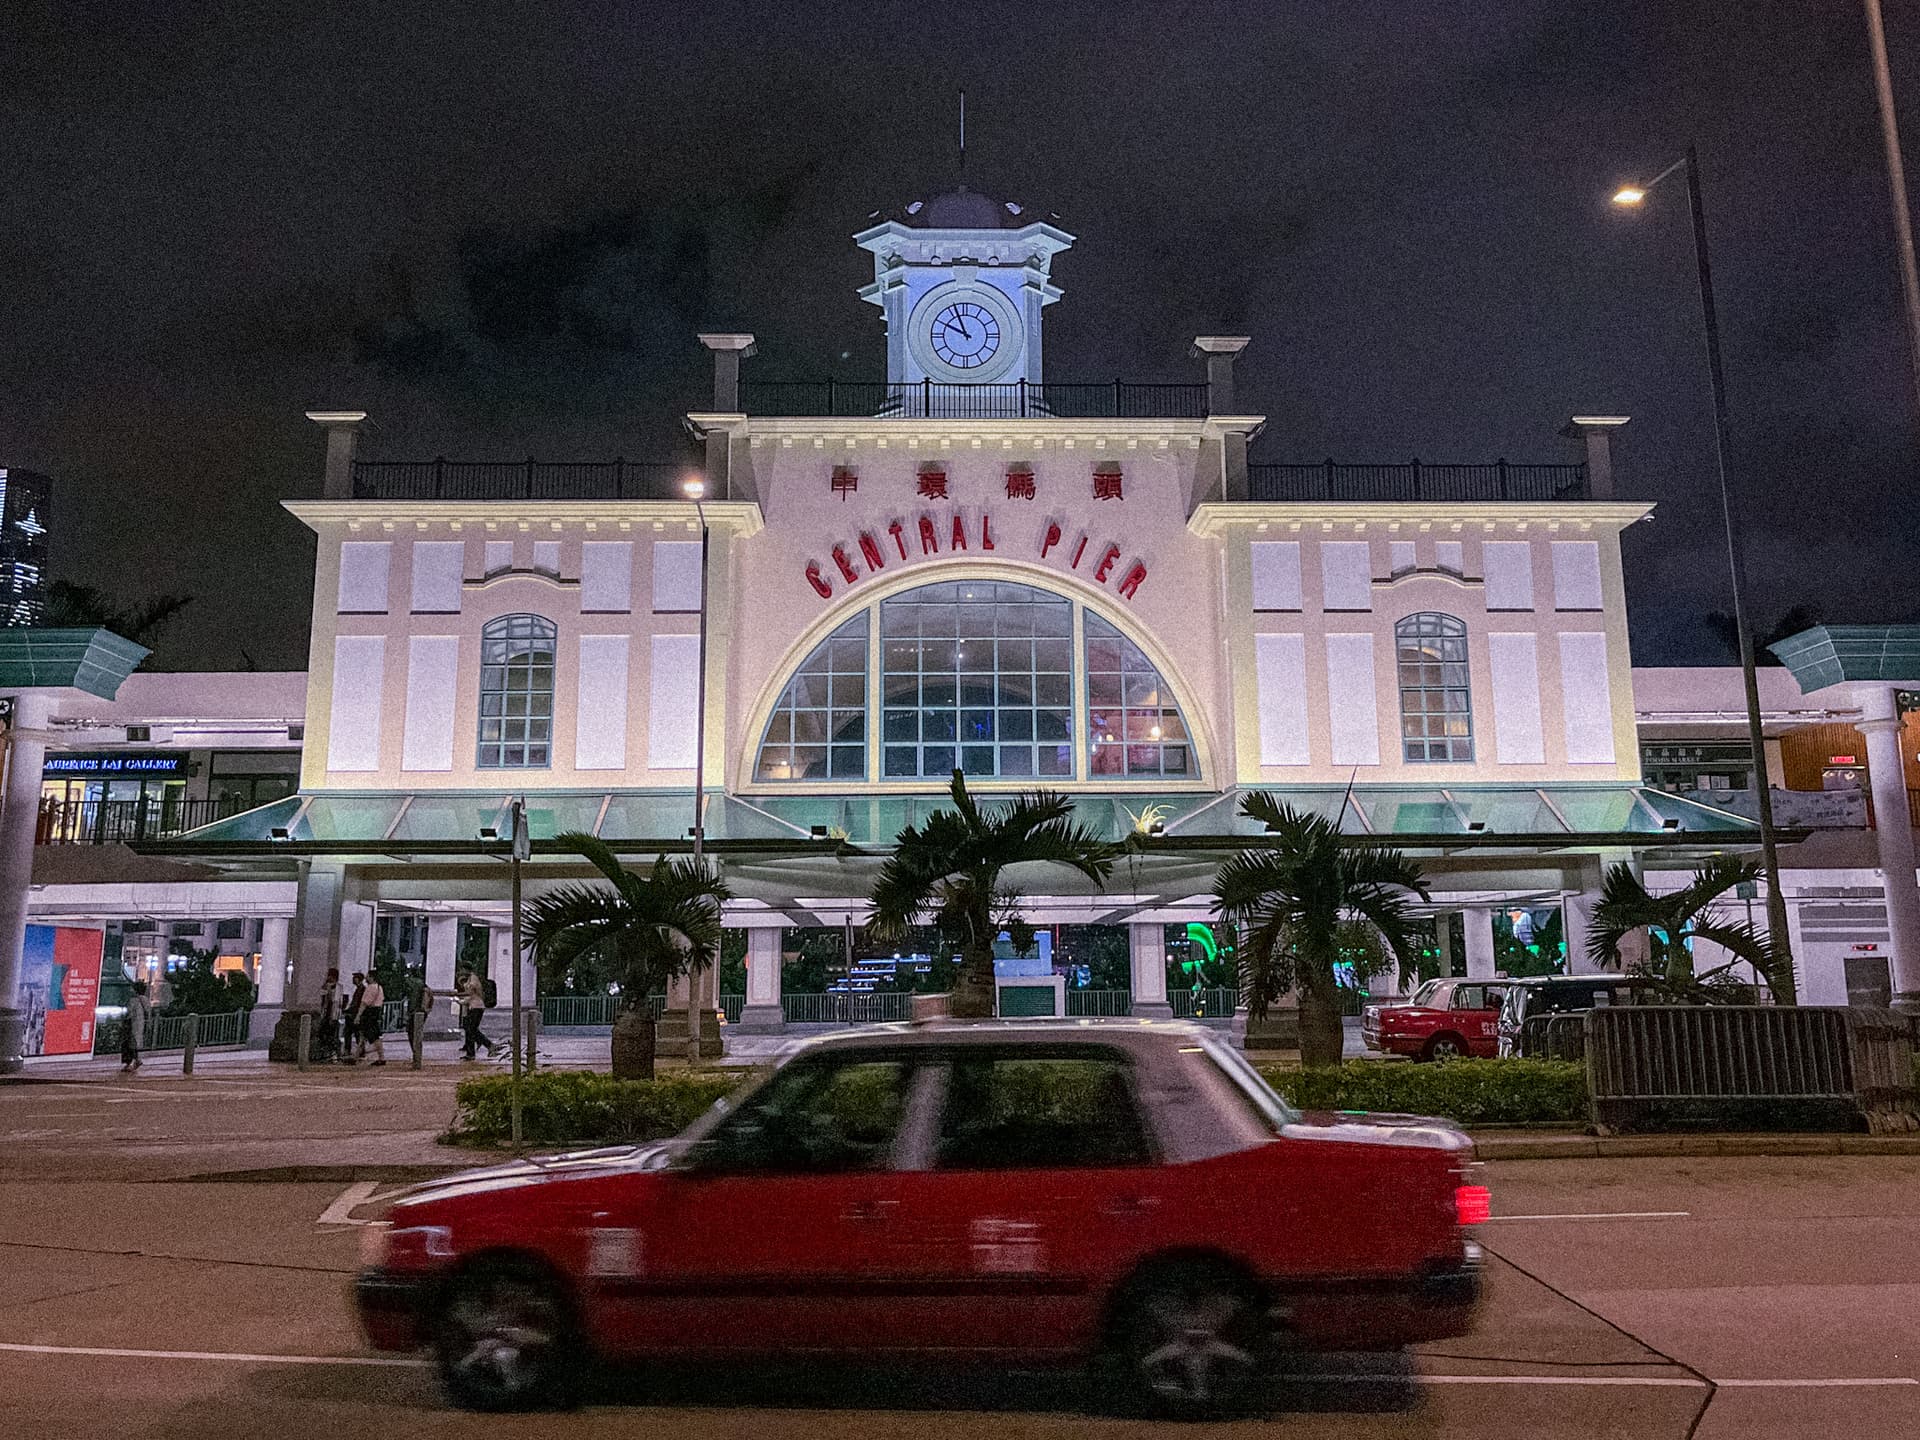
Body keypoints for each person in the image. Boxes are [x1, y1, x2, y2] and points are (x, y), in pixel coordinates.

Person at [457, 969, 496, 1060]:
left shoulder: (473, 979)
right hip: (473, 1007)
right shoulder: (471, 979)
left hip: (476, 1007)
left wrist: (461, 999)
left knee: (471, 1029)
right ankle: (474, 1050)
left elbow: (472, 992)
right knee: (470, 1029)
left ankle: (488, 1045)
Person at [359, 972, 387, 1066]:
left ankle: (381, 1057)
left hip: (369, 1012)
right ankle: (356, 1055)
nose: (366, 977)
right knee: (369, 1034)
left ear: (371, 977)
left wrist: (358, 1015)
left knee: (372, 1035)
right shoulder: (379, 987)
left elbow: (364, 1003)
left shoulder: (370, 988)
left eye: (367, 976)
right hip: (376, 1012)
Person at [121, 981, 149, 1072]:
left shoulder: (134, 1000)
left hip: (132, 1024)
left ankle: (132, 1062)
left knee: (130, 1043)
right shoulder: (146, 1000)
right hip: (141, 1024)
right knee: (135, 1044)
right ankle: (135, 1060)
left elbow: (128, 1013)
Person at [341, 971, 366, 1064]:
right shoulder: (359, 989)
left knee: (353, 1033)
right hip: (353, 1014)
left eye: (354, 977)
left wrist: (349, 1011)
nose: (352, 979)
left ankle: (357, 1051)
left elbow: (357, 1003)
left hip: (354, 1015)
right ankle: (356, 1051)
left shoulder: (361, 989)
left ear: (358, 979)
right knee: (351, 1033)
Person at [318, 967, 342, 1062]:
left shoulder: (338, 987)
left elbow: (335, 1000)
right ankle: (326, 1052)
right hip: (325, 1013)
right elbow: (322, 998)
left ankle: (333, 1053)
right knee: (323, 1034)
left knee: (332, 1034)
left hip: (334, 1014)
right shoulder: (325, 986)